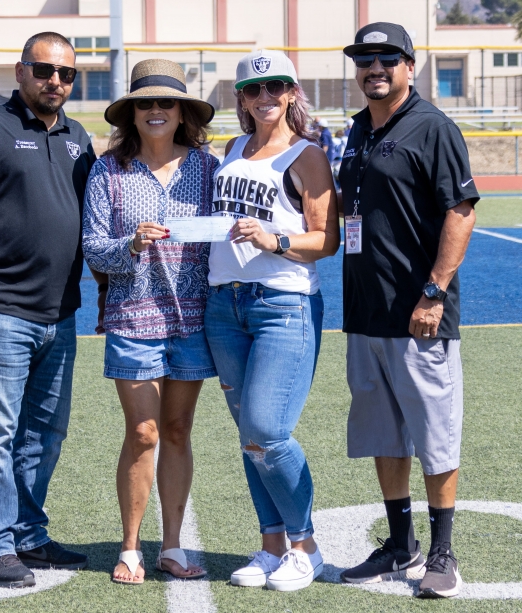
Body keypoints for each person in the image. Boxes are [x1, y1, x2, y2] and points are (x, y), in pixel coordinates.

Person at [0, 31, 95, 588]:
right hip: (0, 310)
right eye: (44, 70)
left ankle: (29, 534)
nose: (55, 81)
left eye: (66, 74)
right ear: (20, 71)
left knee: (45, 434)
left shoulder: (80, 136)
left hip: (61, 313)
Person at [338, 22, 478, 598]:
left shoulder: (432, 127)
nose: (375, 68)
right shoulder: (356, 132)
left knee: (435, 436)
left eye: (386, 58)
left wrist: (435, 290)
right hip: (365, 313)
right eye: (365, 59)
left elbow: (462, 210)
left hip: (419, 314)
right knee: (384, 434)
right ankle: (401, 545)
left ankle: (443, 553)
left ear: (409, 64)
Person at [205, 49, 340, 592]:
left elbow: (326, 240)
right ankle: (270, 547)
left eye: (275, 86)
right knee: (249, 439)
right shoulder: (232, 149)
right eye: (254, 89)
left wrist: (274, 239)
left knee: (267, 429)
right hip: (224, 306)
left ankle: (306, 546)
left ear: (291, 92)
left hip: (282, 303)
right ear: (240, 98)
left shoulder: (306, 156)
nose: (265, 97)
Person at [82, 59, 218, 585]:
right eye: (145, 102)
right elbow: (93, 246)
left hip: (193, 320)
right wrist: (130, 244)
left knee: (178, 431)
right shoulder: (107, 170)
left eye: (166, 102)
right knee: (142, 432)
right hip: (131, 319)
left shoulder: (208, 168)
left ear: (182, 111)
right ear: (131, 113)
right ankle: (132, 546)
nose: (156, 110)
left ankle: (174, 546)